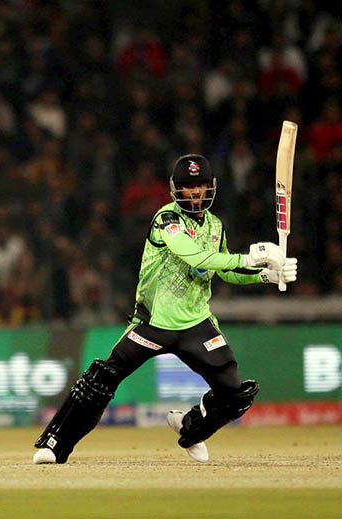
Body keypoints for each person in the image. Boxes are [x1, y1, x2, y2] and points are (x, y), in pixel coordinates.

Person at [32, 154, 298, 464]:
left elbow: (225, 271)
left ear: (210, 187)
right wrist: (249, 258)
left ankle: (190, 427)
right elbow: (195, 256)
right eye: (188, 187)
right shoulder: (167, 219)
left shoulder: (215, 225)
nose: (195, 193)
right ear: (176, 190)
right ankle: (54, 445)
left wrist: (266, 273)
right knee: (101, 379)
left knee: (232, 395)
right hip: (154, 322)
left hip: (197, 323)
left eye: (200, 186)